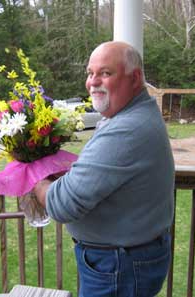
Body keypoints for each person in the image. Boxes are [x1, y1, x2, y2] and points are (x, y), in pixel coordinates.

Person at [33, 41, 175, 297]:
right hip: (125, 259)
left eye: (106, 73)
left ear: (135, 78)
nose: (93, 82)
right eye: (90, 73)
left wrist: (33, 179)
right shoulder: (132, 116)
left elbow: (62, 204)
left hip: (120, 267)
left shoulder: (127, 129)